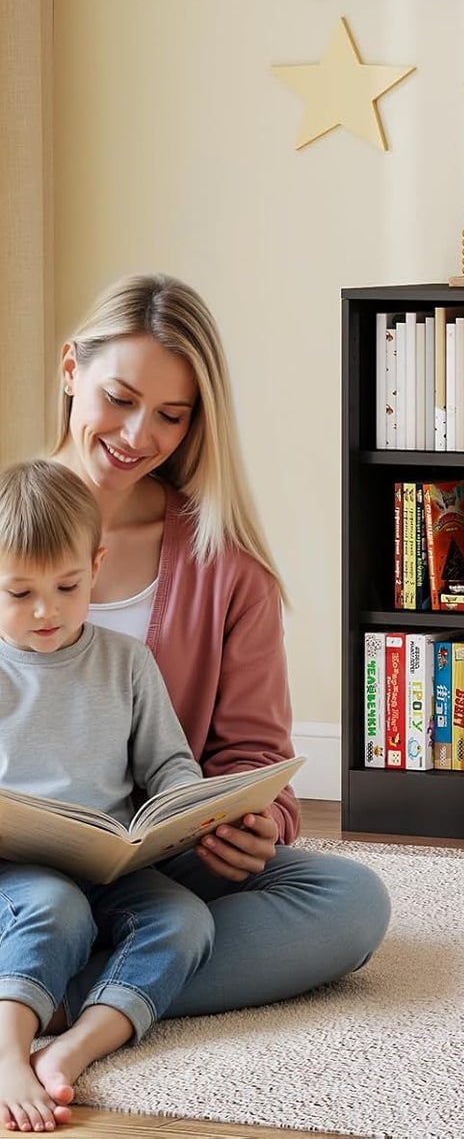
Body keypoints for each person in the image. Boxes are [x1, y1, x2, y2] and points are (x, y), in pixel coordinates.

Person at [50, 273, 390, 1026]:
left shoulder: (226, 567)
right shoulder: (13, 526)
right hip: (19, 868)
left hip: (155, 869)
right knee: (52, 905)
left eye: (170, 416)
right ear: (72, 370)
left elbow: (255, 758)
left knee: (350, 901)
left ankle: (54, 994)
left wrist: (253, 824)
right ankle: (107, 972)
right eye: (119, 398)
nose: (137, 435)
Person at [0, 460, 217, 1132]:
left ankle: (75, 1045)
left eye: (67, 586)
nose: (46, 610)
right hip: (19, 873)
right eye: (19, 592)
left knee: (186, 920)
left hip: (110, 862)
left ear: (96, 565)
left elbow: (170, 765)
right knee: (54, 907)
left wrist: (185, 810)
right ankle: (7, 1050)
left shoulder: (127, 662)